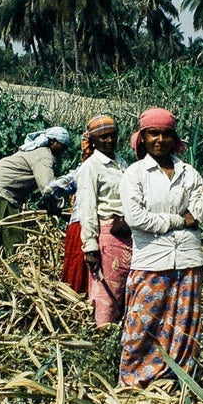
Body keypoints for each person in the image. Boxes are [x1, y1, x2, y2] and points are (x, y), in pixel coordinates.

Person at [118, 108, 203, 387]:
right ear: (142, 138)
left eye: (166, 134)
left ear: (174, 138)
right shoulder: (135, 174)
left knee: (183, 324)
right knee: (142, 325)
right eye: (154, 133)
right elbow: (136, 218)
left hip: (188, 257)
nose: (160, 140)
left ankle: (175, 379)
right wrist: (178, 220)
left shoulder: (187, 172)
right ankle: (134, 380)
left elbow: (201, 212)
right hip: (152, 259)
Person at [0, 127, 70, 257]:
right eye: (63, 146)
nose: (64, 150)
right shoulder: (44, 155)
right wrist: (60, 209)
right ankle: (11, 271)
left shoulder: (34, 151)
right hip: (0, 193)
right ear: (53, 142)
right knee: (12, 240)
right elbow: (48, 188)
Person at [75, 116, 131, 325]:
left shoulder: (121, 163)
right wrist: (90, 246)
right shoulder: (91, 167)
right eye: (103, 137)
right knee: (106, 292)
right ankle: (102, 334)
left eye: (112, 136)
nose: (109, 141)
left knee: (125, 288)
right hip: (107, 233)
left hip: (126, 231)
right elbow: (87, 208)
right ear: (93, 140)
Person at [42, 131, 91, 294]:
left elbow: (51, 189)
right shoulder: (86, 169)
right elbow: (50, 189)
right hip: (86, 226)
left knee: (79, 273)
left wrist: (55, 208)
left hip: (85, 225)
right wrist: (56, 209)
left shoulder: (85, 167)